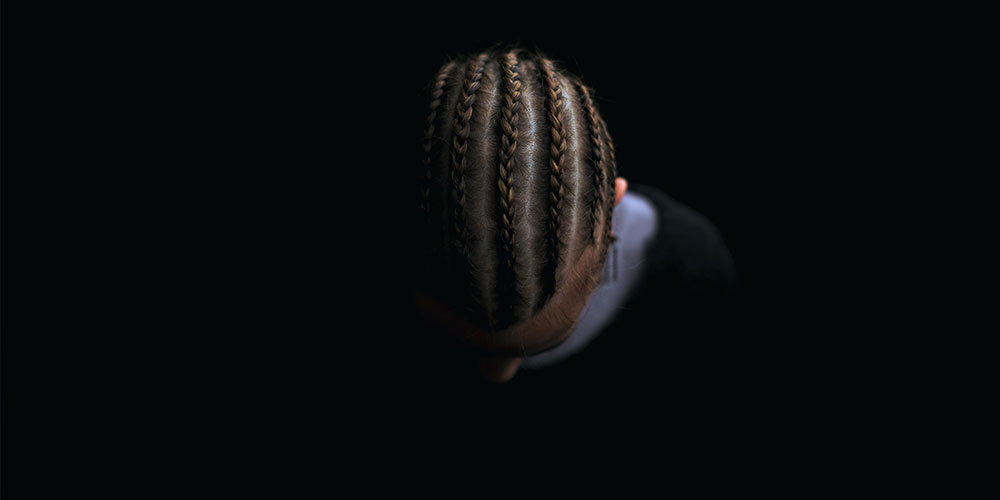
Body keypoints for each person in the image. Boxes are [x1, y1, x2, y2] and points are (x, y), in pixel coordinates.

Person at [407, 50, 737, 387]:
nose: (498, 377)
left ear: (612, 209)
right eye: (462, 347)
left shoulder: (694, 280)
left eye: (542, 347)